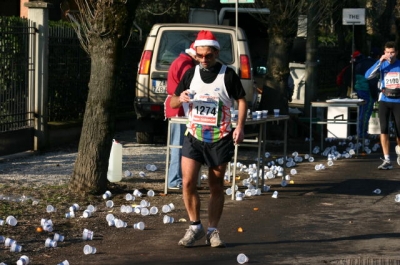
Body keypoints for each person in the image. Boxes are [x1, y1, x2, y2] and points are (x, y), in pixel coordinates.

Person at [170, 30, 247, 247]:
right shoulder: (190, 74)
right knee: (187, 182)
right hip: (194, 135)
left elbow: (242, 100)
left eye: (209, 56)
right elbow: (173, 102)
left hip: (219, 136)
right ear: (195, 53)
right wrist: (180, 97)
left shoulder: (227, 74)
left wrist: (239, 126)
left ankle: (212, 230)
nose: (204, 60)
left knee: (215, 185)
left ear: (216, 53)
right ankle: (195, 226)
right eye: (200, 55)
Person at [164, 42, 198, 189]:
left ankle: (177, 178)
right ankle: (175, 179)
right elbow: (190, 87)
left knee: (178, 145)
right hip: (179, 110)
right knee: (178, 146)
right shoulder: (187, 65)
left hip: (176, 108)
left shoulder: (180, 61)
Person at [365, 41, 400, 169]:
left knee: (398, 130)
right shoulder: (382, 65)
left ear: (396, 52)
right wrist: (380, 61)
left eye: (392, 52)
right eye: (387, 52)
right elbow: (367, 76)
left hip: (398, 101)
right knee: (383, 129)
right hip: (384, 100)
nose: (389, 55)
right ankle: (387, 160)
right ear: (384, 53)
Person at [353, 50, 378, 138]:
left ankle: (360, 132)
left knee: (362, 111)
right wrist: (375, 93)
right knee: (366, 112)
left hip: (360, 89)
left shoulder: (360, 63)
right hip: (367, 90)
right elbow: (372, 81)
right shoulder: (373, 64)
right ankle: (362, 133)